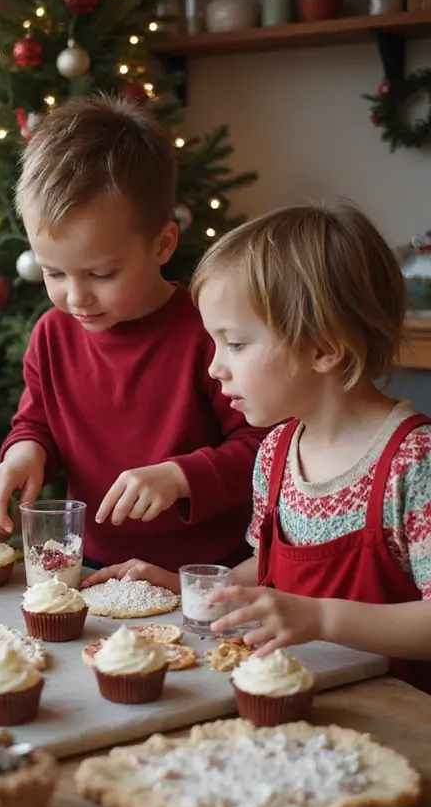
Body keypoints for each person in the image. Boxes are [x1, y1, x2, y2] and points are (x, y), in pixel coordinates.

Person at [88, 203, 431, 691]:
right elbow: (269, 573)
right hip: (295, 702)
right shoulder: (275, 453)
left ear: (323, 348)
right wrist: (191, 586)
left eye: (235, 344)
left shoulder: (413, 464)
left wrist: (323, 620)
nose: (215, 368)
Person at [0, 95, 265, 572]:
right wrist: (24, 456)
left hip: (204, 578)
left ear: (162, 244)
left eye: (101, 274)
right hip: (91, 567)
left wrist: (179, 476)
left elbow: (265, 450)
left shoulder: (211, 332)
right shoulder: (51, 335)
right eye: (54, 274)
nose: (76, 298)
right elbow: (37, 425)